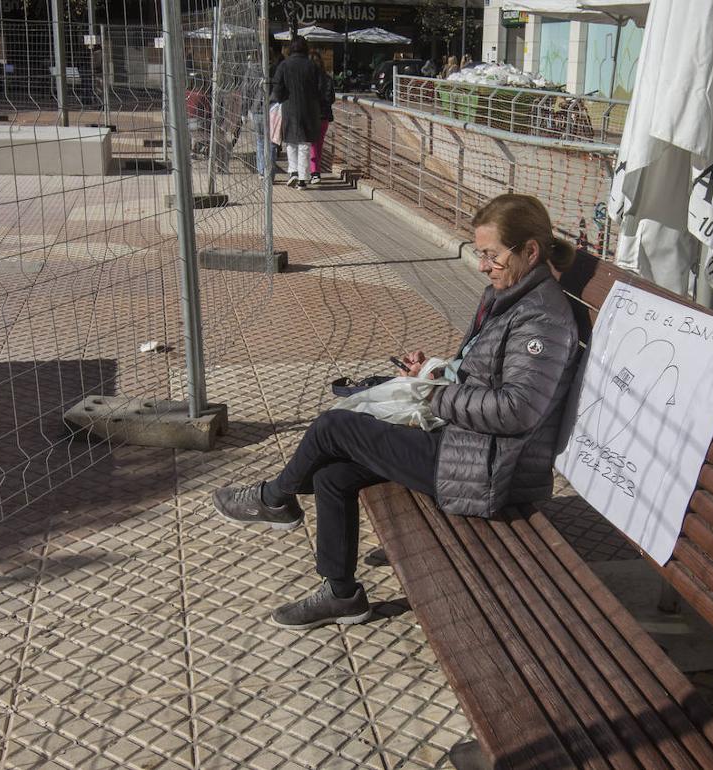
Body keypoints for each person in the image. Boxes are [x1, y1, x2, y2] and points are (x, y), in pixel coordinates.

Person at [212, 194, 581, 629]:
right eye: (481, 254)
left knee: (335, 426)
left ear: (530, 251)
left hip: (489, 470)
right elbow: (483, 377)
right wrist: (433, 372)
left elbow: (517, 410)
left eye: (492, 256)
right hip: (463, 442)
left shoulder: (542, 320)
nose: (483, 266)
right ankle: (342, 594)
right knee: (333, 475)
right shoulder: (509, 295)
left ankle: (275, 498)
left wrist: (434, 397)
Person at [272, 37, 323, 189]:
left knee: (291, 142)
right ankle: (302, 178)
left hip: (289, 107)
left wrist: (281, 99)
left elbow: (277, 87)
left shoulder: (284, 65)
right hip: (309, 109)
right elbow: (320, 87)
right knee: (304, 144)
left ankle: (293, 171)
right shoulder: (312, 66)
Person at [308, 51, 336, 185]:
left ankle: (315, 172)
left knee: (312, 144)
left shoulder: (309, 80)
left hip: (312, 115)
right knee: (319, 144)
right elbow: (332, 98)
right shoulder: (328, 79)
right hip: (324, 116)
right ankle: (316, 169)